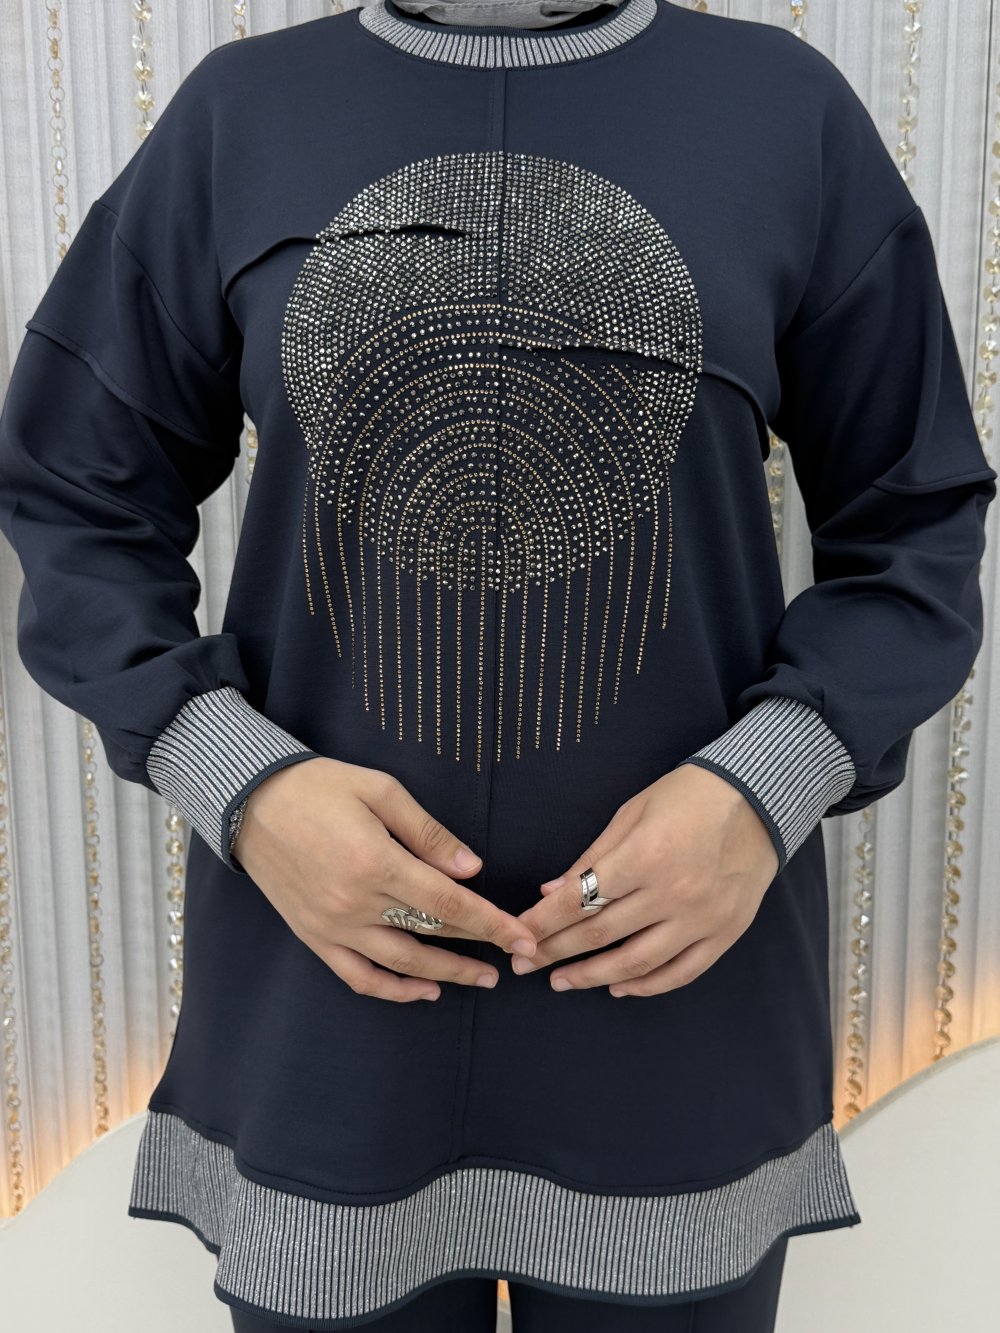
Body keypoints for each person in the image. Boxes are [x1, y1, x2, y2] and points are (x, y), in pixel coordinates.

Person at [0, 0, 994, 1329]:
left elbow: (916, 517)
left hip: (677, 1007)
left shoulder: (784, 113)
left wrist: (768, 784)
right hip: (332, 1001)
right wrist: (237, 779)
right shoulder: (242, 118)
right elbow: (75, 489)